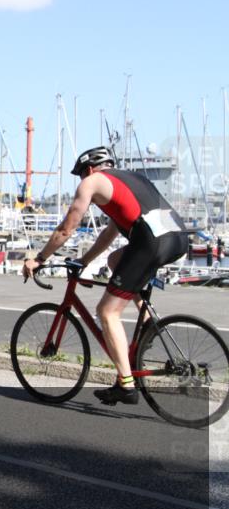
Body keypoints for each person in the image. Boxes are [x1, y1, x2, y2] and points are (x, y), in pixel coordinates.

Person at [22, 146, 189, 405]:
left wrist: (40, 258)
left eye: (80, 175)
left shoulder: (92, 182)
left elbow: (67, 229)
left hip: (151, 243)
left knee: (107, 312)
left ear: (88, 169)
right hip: (177, 239)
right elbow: (109, 233)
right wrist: (84, 260)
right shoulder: (130, 180)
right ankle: (146, 320)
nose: (81, 181)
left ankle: (126, 385)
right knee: (114, 260)